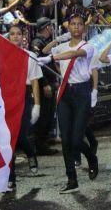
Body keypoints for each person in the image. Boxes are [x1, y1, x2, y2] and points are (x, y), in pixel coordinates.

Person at [41, 13, 97, 193]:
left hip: (81, 92)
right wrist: (58, 39)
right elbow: (44, 51)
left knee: (75, 138)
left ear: (84, 28)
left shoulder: (88, 46)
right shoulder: (62, 45)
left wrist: (52, 58)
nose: (76, 27)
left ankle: (90, 156)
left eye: (80, 24)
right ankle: (71, 179)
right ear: (68, 27)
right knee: (66, 139)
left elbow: (74, 53)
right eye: (72, 24)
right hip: (65, 93)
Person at [6, 24, 42, 189]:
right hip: (8, 98)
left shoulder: (30, 56)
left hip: (24, 96)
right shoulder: (3, 56)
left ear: (23, 36)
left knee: (20, 136)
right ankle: (10, 177)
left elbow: (34, 82)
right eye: (12, 34)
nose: (15, 37)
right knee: (9, 138)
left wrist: (37, 105)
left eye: (18, 34)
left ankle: (30, 153)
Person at [30, 17, 58, 156]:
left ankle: (44, 142)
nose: (52, 29)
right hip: (43, 83)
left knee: (48, 114)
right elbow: (37, 65)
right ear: (47, 27)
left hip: (50, 81)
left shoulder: (44, 42)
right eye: (50, 26)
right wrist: (45, 83)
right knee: (43, 116)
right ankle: (40, 145)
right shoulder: (37, 42)